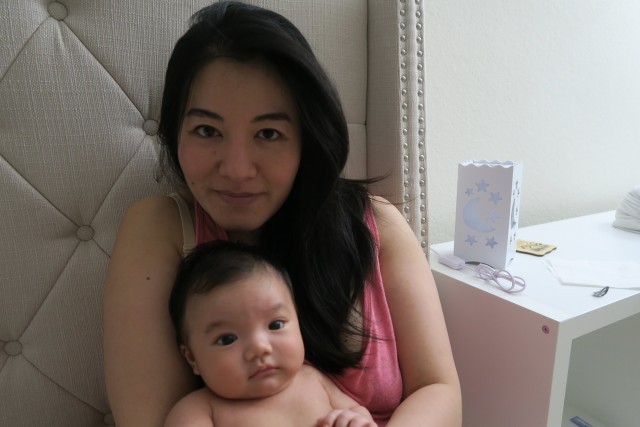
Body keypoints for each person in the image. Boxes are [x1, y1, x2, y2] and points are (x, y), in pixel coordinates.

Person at [103, 2, 462, 426]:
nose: (237, 170)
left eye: (269, 133)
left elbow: (439, 390)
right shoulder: (159, 228)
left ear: (307, 136)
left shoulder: (376, 223)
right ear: (174, 132)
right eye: (207, 130)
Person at [164, 240, 376, 427]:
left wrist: (354, 420)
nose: (259, 348)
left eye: (275, 324)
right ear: (192, 358)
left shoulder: (313, 379)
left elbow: (357, 411)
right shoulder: (198, 410)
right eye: (227, 339)